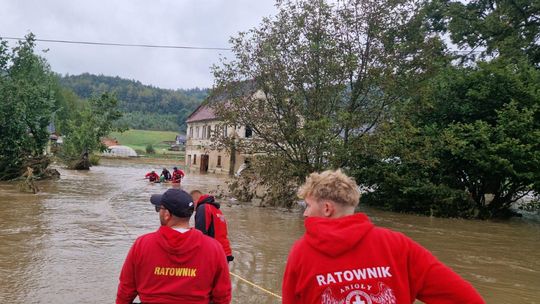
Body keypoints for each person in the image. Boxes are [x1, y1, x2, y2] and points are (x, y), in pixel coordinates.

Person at [282, 169, 485, 304]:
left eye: (308, 206)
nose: (305, 213)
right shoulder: (398, 245)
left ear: (327, 208)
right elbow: (467, 299)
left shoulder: (301, 253)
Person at [116, 188, 232, 304]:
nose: (158, 212)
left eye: (159, 208)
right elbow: (223, 296)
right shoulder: (215, 248)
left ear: (166, 214)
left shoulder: (141, 244)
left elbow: (125, 292)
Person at [191, 190, 234, 263]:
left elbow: (200, 233)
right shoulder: (216, 209)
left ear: (194, 201)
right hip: (225, 252)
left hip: (214, 254)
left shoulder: (202, 208)